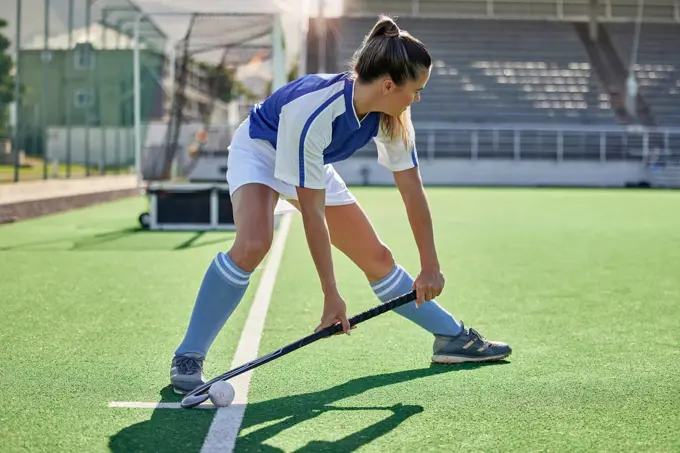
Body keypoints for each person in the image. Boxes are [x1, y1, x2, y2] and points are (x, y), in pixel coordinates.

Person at [170, 15, 511, 394]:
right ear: (387, 84)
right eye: (415, 90)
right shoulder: (315, 111)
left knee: (378, 258)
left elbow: (412, 191)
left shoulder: (390, 117)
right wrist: (331, 294)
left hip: (310, 160)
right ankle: (189, 354)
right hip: (261, 150)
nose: (417, 99)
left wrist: (430, 265)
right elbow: (312, 215)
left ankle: (452, 339)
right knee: (253, 243)